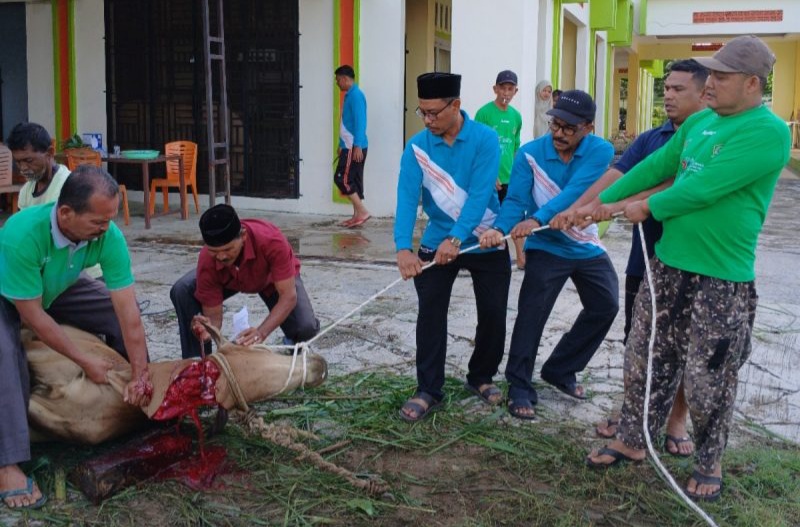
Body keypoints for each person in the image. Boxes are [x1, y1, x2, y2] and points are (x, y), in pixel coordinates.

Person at [582, 35, 790, 502]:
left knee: (707, 377)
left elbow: (703, 190)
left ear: (752, 83)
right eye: (710, 74)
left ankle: (709, 461)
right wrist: (602, 201)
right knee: (644, 356)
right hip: (668, 266)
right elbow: (656, 163)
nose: (709, 83)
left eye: (720, 76)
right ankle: (634, 440)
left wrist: (642, 207)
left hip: (721, 277)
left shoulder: (769, 132)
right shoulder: (700, 124)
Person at [553, 59, 709, 456]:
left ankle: (676, 421)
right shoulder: (652, 137)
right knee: (637, 341)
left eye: (678, 89)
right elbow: (620, 173)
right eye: (666, 88)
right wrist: (580, 207)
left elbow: (674, 185)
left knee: (681, 347)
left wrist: (614, 206)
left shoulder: (708, 138)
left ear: (704, 93)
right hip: (644, 255)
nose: (668, 96)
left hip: (690, 259)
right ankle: (632, 414)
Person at [0, 165, 152, 509]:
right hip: (10, 294)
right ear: (66, 213)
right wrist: (85, 361)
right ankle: (7, 463)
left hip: (56, 283)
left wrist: (142, 373)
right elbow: (34, 316)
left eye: (109, 220)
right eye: (98, 222)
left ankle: (139, 398)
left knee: (111, 309)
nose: (106, 229)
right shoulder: (21, 233)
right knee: (6, 350)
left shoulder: (106, 235)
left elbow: (128, 312)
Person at [479, 90, 617, 420]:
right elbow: (515, 201)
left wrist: (538, 218)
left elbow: (577, 192)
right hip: (547, 246)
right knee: (532, 313)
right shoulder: (529, 154)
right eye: (555, 123)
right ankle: (519, 384)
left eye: (569, 128)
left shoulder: (601, 151)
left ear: (589, 127)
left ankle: (561, 369)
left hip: (584, 242)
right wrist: (500, 228)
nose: (558, 133)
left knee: (606, 304)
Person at [394, 72, 511, 422]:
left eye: (435, 113)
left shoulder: (485, 139)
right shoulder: (417, 146)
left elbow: (478, 195)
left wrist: (458, 239)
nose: (428, 120)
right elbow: (405, 197)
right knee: (430, 313)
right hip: (437, 239)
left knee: (493, 312)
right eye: (423, 112)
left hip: (485, 237)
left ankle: (481, 376)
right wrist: (403, 247)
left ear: (456, 105)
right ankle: (429, 388)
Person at [170, 204, 320, 358]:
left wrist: (261, 333)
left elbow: (288, 296)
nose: (221, 257)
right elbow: (214, 318)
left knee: (305, 328)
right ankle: (198, 363)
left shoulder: (271, 240)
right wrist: (207, 330)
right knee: (182, 289)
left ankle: (292, 339)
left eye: (228, 249)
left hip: (269, 280)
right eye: (214, 251)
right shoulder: (207, 259)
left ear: (243, 236)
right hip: (230, 280)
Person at [474, 70, 526, 270]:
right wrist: (489, 174)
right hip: (490, 179)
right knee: (485, 217)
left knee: (515, 216)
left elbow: (515, 148)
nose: (506, 92)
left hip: (509, 178)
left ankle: (521, 258)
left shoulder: (516, 116)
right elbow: (477, 147)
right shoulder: (484, 113)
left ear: (515, 91)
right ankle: (480, 256)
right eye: (502, 88)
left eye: (510, 88)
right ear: (495, 89)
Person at [333, 65, 370, 228]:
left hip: (353, 146)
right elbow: (346, 124)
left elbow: (360, 122)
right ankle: (356, 216)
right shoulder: (350, 95)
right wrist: (341, 144)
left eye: (337, 80)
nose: (337, 83)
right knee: (353, 180)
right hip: (348, 146)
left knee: (342, 178)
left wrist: (357, 146)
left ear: (345, 79)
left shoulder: (356, 96)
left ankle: (362, 211)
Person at [6, 122, 70, 209]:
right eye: (18, 162)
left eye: (29, 160)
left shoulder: (67, 187)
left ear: (50, 153)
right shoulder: (25, 192)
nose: (23, 168)